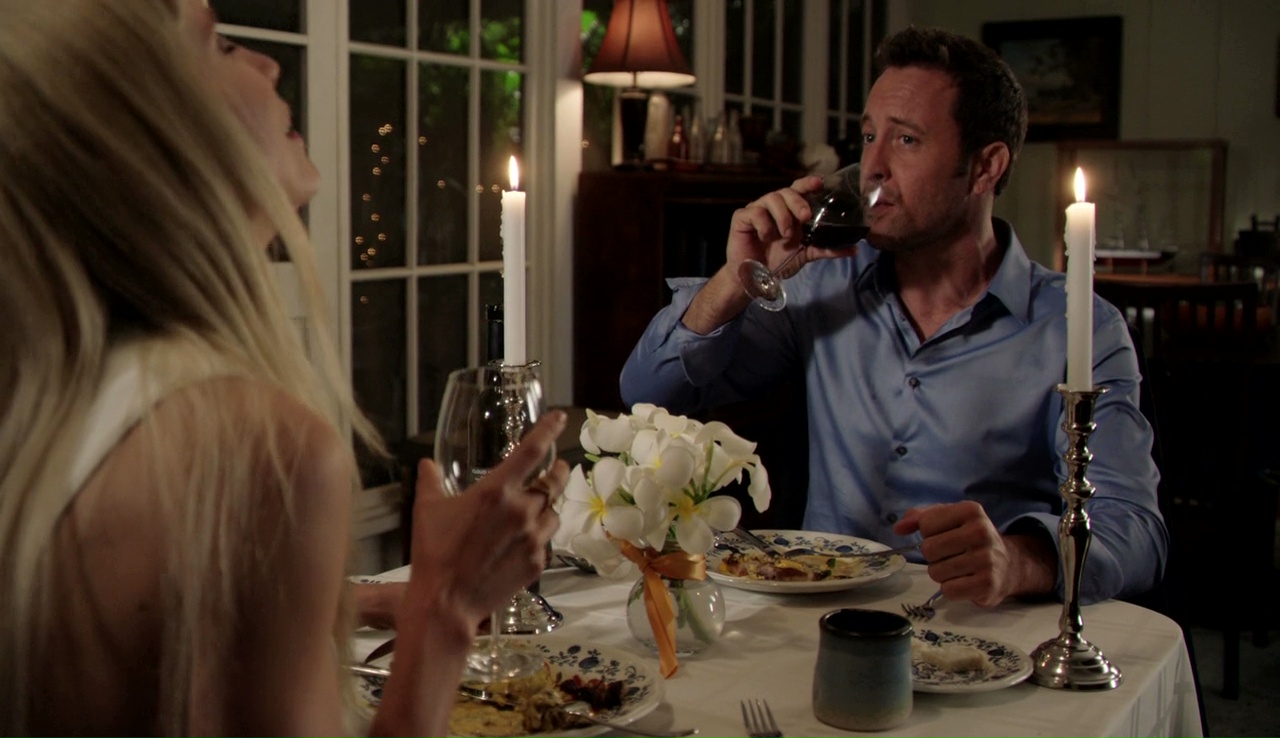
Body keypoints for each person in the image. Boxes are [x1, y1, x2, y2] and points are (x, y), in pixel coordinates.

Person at [0, 1, 567, 737]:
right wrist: (448, 604)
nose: (269, 64)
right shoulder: (257, 452)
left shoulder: (54, 400)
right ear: (151, 123)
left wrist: (353, 600)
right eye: (221, 45)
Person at [620, 26, 1166, 607]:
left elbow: (1135, 531)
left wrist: (1018, 559)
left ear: (986, 167)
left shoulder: (1077, 327)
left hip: (975, 630)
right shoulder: (819, 286)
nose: (872, 166)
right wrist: (736, 280)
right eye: (869, 135)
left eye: (906, 140)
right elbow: (646, 393)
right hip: (820, 617)